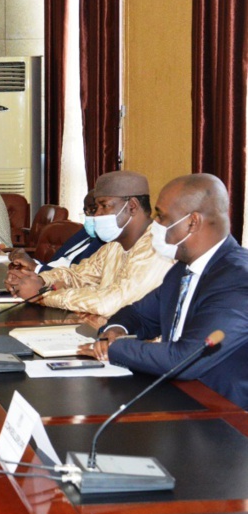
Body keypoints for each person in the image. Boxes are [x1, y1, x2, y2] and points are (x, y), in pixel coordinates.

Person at [82, 174, 248, 408]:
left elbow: (185, 359)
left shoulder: (238, 281)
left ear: (192, 222)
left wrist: (116, 348)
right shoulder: (182, 269)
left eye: (162, 216)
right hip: (178, 396)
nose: (155, 226)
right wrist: (115, 330)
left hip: (226, 415)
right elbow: (139, 314)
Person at [6, 170, 174, 317]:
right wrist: (36, 280)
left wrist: (42, 296)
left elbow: (111, 303)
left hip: (140, 346)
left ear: (132, 206)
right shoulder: (114, 245)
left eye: (104, 206)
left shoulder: (157, 248)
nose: (97, 214)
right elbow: (78, 275)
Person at [8, 190, 104, 272]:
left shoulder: (108, 244)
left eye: (93, 209)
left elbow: (78, 279)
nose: (90, 216)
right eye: (86, 211)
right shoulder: (85, 233)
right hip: (43, 279)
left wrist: (35, 267)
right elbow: (55, 264)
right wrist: (27, 262)